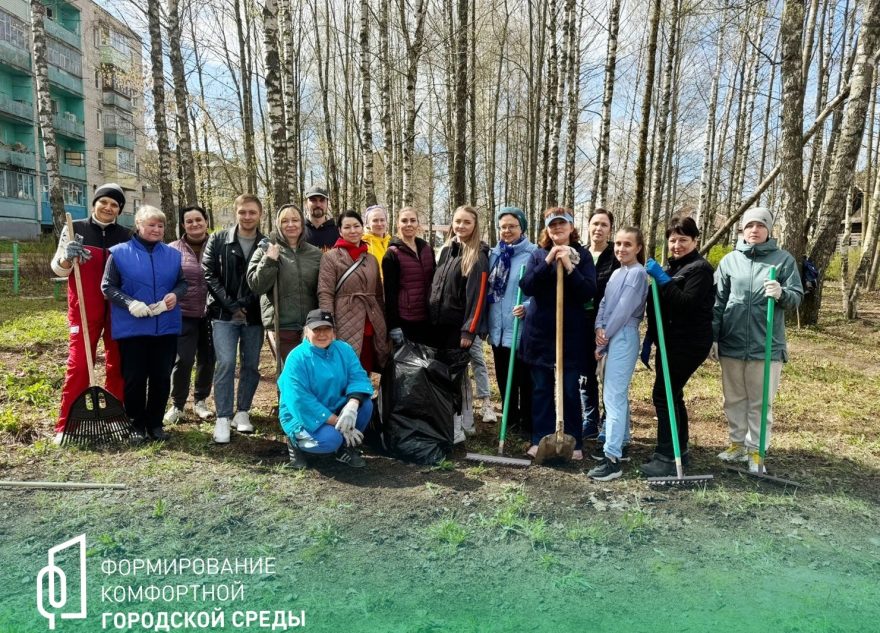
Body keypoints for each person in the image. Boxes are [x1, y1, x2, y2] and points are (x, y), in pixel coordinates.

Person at [713, 207, 803, 472]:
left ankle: (756, 450)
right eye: (750, 225)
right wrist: (714, 336)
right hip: (732, 342)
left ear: (769, 230)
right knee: (733, 398)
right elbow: (718, 302)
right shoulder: (730, 261)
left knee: (760, 402)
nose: (754, 230)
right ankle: (737, 444)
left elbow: (797, 296)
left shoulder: (783, 261)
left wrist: (782, 293)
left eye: (760, 225)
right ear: (742, 229)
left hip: (766, 344)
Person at [50, 183, 132, 444]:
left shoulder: (126, 235)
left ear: (119, 210)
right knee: (79, 364)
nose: (108, 208)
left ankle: (116, 416)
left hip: (117, 307)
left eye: (114, 205)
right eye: (104, 202)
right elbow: (58, 269)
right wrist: (67, 256)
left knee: (118, 361)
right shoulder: (76, 229)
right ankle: (67, 424)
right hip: (85, 307)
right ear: (94, 203)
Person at [101, 206, 186, 442]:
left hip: (165, 327)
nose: (157, 230)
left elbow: (182, 283)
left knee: (161, 377)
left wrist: (175, 295)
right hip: (133, 328)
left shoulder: (172, 254)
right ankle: (136, 424)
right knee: (135, 378)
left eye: (160, 226)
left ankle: (155, 424)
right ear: (138, 225)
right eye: (151, 225)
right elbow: (107, 287)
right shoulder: (119, 253)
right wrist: (129, 303)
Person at [640, 216, 715, 477]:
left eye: (683, 239)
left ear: (695, 241)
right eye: (672, 240)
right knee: (672, 395)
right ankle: (679, 450)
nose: (677, 245)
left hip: (689, 342)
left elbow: (686, 304)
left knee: (664, 394)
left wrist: (662, 279)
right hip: (669, 341)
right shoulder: (674, 267)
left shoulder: (700, 269)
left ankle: (666, 457)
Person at [519, 208, 596, 461]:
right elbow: (528, 286)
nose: (557, 229)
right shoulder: (538, 255)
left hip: (570, 335)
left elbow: (587, 292)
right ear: (547, 229)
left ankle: (573, 441)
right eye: (553, 225)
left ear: (572, 228)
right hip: (540, 333)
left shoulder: (583, 256)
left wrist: (569, 267)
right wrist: (549, 260)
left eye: (562, 225)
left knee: (570, 389)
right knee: (541, 388)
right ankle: (540, 438)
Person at [202, 194, 266, 443]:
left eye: (252, 212)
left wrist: (248, 304)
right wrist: (230, 305)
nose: (247, 217)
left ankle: (243, 412)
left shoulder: (266, 242)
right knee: (226, 363)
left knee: (250, 364)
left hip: (254, 316)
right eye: (243, 212)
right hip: (222, 314)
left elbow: (267, 276)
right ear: (236, 213)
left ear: (260, 214)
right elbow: (208, 273)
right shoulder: (218, 239)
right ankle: (223, 417)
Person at [278, 309, 374, 469]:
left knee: (365, 404)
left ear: (333, 332)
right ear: (307, 332)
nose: (322, 334)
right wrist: (340, 423)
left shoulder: (344, 349)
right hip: (302, 415)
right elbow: (301, 401)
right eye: (316, 329)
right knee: (330, 440)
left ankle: (345, 448)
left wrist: (352, 405)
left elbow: (358, 377)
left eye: (327, 329)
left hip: (335, 406)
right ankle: (295, 442)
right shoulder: (296, 358)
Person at [588, 227, 648, 481]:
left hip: (624, 335)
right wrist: (599, 328)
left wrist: (606, 333)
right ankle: (621, 442)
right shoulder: (615, 273)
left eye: (628, 244)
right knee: (612, 393)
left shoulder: (637, 274)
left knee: (613, 396)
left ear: (638, 248)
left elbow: (624, 310)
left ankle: (611, 457)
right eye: (619, 244)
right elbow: (604, 303)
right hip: (610, 334)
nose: (621, 249)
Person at [429, 205, 490, 443]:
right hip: (439, 325)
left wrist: (469, 329)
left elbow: (478, 297)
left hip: (458, 328)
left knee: (455, 377)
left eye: (466, 222)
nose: (461, 226)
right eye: (457, 221)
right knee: (447, 375)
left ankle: (456, 426)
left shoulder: (478, 256)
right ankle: (462, 420)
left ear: (474, 226)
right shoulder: (447, 251)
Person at [247, 204, 322, 363]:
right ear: (278, 225)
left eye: (295, 220)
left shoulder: (315, 254)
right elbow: (256, 285)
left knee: (311, 375)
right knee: (290, 376)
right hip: (281, 326)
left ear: (302, 223)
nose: (290, 225)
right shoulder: (265, 250)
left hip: (311, 327)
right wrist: (269, 260)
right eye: (284, 221)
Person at [318, 210, 389, 372]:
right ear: (340, 231)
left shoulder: (370, 259)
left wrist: (383, 322)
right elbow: (325, 293)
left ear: (363, 228)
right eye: (347, 227)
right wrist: (329, 325)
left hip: (371, 321)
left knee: (366, 367)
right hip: (345, 320)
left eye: (356, 226)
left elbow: (378, 294)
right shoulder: (330, 257)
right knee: (345, 369)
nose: (353, 230)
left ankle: (363, 396)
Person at [487, 206, 537, 437]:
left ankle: (527, 420)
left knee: (524, 379)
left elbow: (541, 291)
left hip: (521, 327)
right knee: (503, 377)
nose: (507, 231)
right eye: (503, 227)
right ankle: (511, 417)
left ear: (522, 227)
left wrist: (528, 307)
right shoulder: (494, 254)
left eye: (512, 226)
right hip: (498, 328)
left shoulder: (534, 254)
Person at [164, 206, 216, 425]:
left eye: (199, 220)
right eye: (189, 221)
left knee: (208, 358)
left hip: (213, 313)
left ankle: (201, 400)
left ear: (206, 221)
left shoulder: (218, 245)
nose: (195, 224)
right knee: (183, 360)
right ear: (183, 225)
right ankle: (177, 405)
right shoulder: (172, 249)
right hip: (183, 313)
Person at [580, 209, 620, 440]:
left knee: (608, 374)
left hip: (607, 324)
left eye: (604, 224)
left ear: (610, 229)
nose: (598, 228)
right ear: (588, 226)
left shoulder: (616, 254)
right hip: (582, 322)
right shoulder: (580, 254)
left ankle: (609, 419)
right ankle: (590, 419)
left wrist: (605, 325)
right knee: (585, 374)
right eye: (595, 223)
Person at [382, 207, 435, 346]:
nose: (409, 224)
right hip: (406, 320)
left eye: (413, 220)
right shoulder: (392, 254)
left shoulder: (427, 249)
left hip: (428, 317)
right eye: (404, 221)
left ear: (418, 224)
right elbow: (389, 292)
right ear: (398, 224)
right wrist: (393, 325)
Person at [303, 184, 339, 251]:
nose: (318, 204)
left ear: (327, 203)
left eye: (322, 200)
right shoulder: (298, 230)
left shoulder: (337, 232)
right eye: (313, 200)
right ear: (306, 203)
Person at [362, 204, 391, 273]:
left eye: (382, 220)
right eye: (375, 220)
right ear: (367, 224)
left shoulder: (392, 243)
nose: (379, 224)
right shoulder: (362, 244)